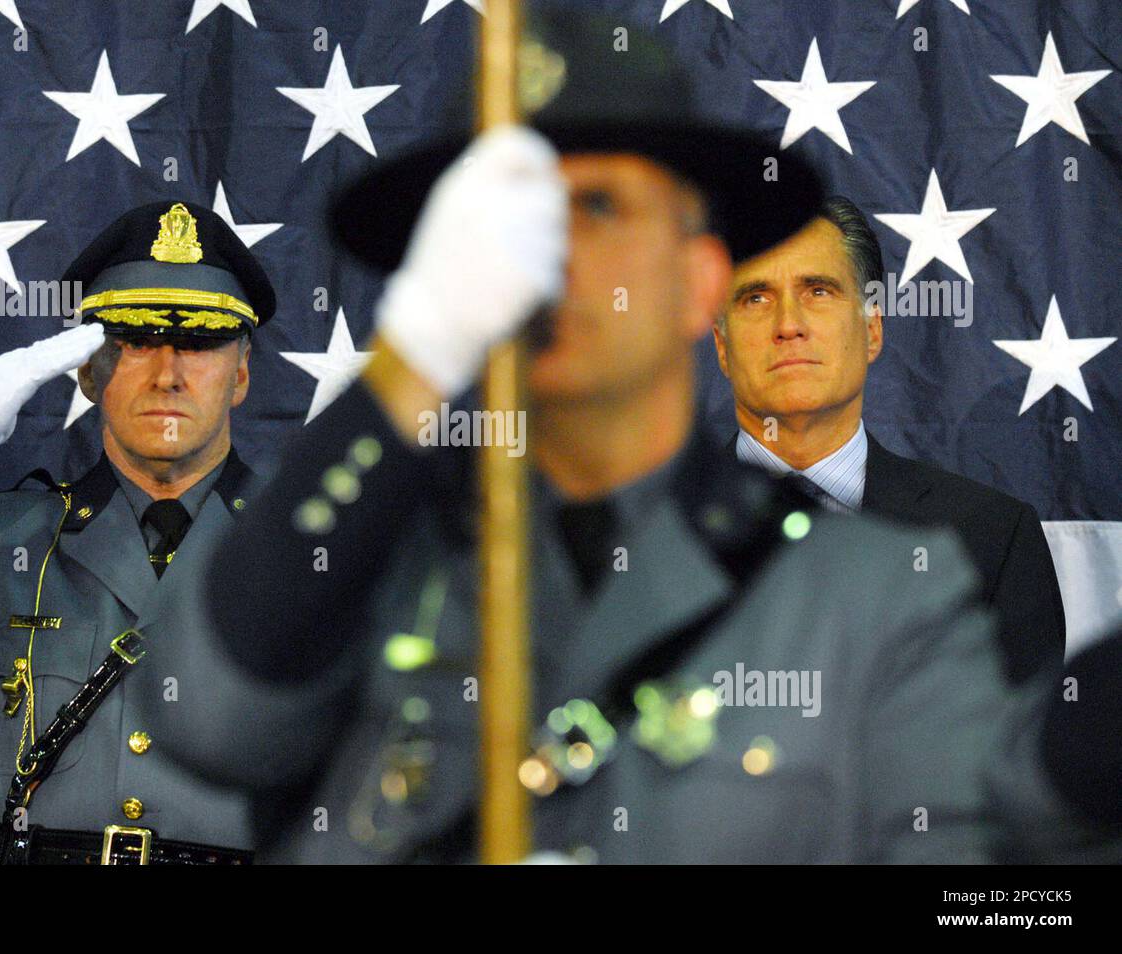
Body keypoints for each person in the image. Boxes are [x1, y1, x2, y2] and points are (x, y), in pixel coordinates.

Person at [132, 6, 1074, 863]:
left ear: (700, 280)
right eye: (507, 218)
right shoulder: (355, 566)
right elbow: (208, 720)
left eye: (598, 207)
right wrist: (410, 360)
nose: (550, 257)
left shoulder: (875, 599)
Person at [0, 200, 276, 863]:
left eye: (201, 343)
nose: (168, 373)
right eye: (136, 340)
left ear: (240, 373)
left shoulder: (316, 549)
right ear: (88, 371)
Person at [712, 196, 1065, 684]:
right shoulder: (643, 533)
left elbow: (1015, 752)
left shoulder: (993, 537)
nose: (788, 325)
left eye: (818, 291)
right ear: (722, 346)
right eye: (756, 298)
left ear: (872, 330)